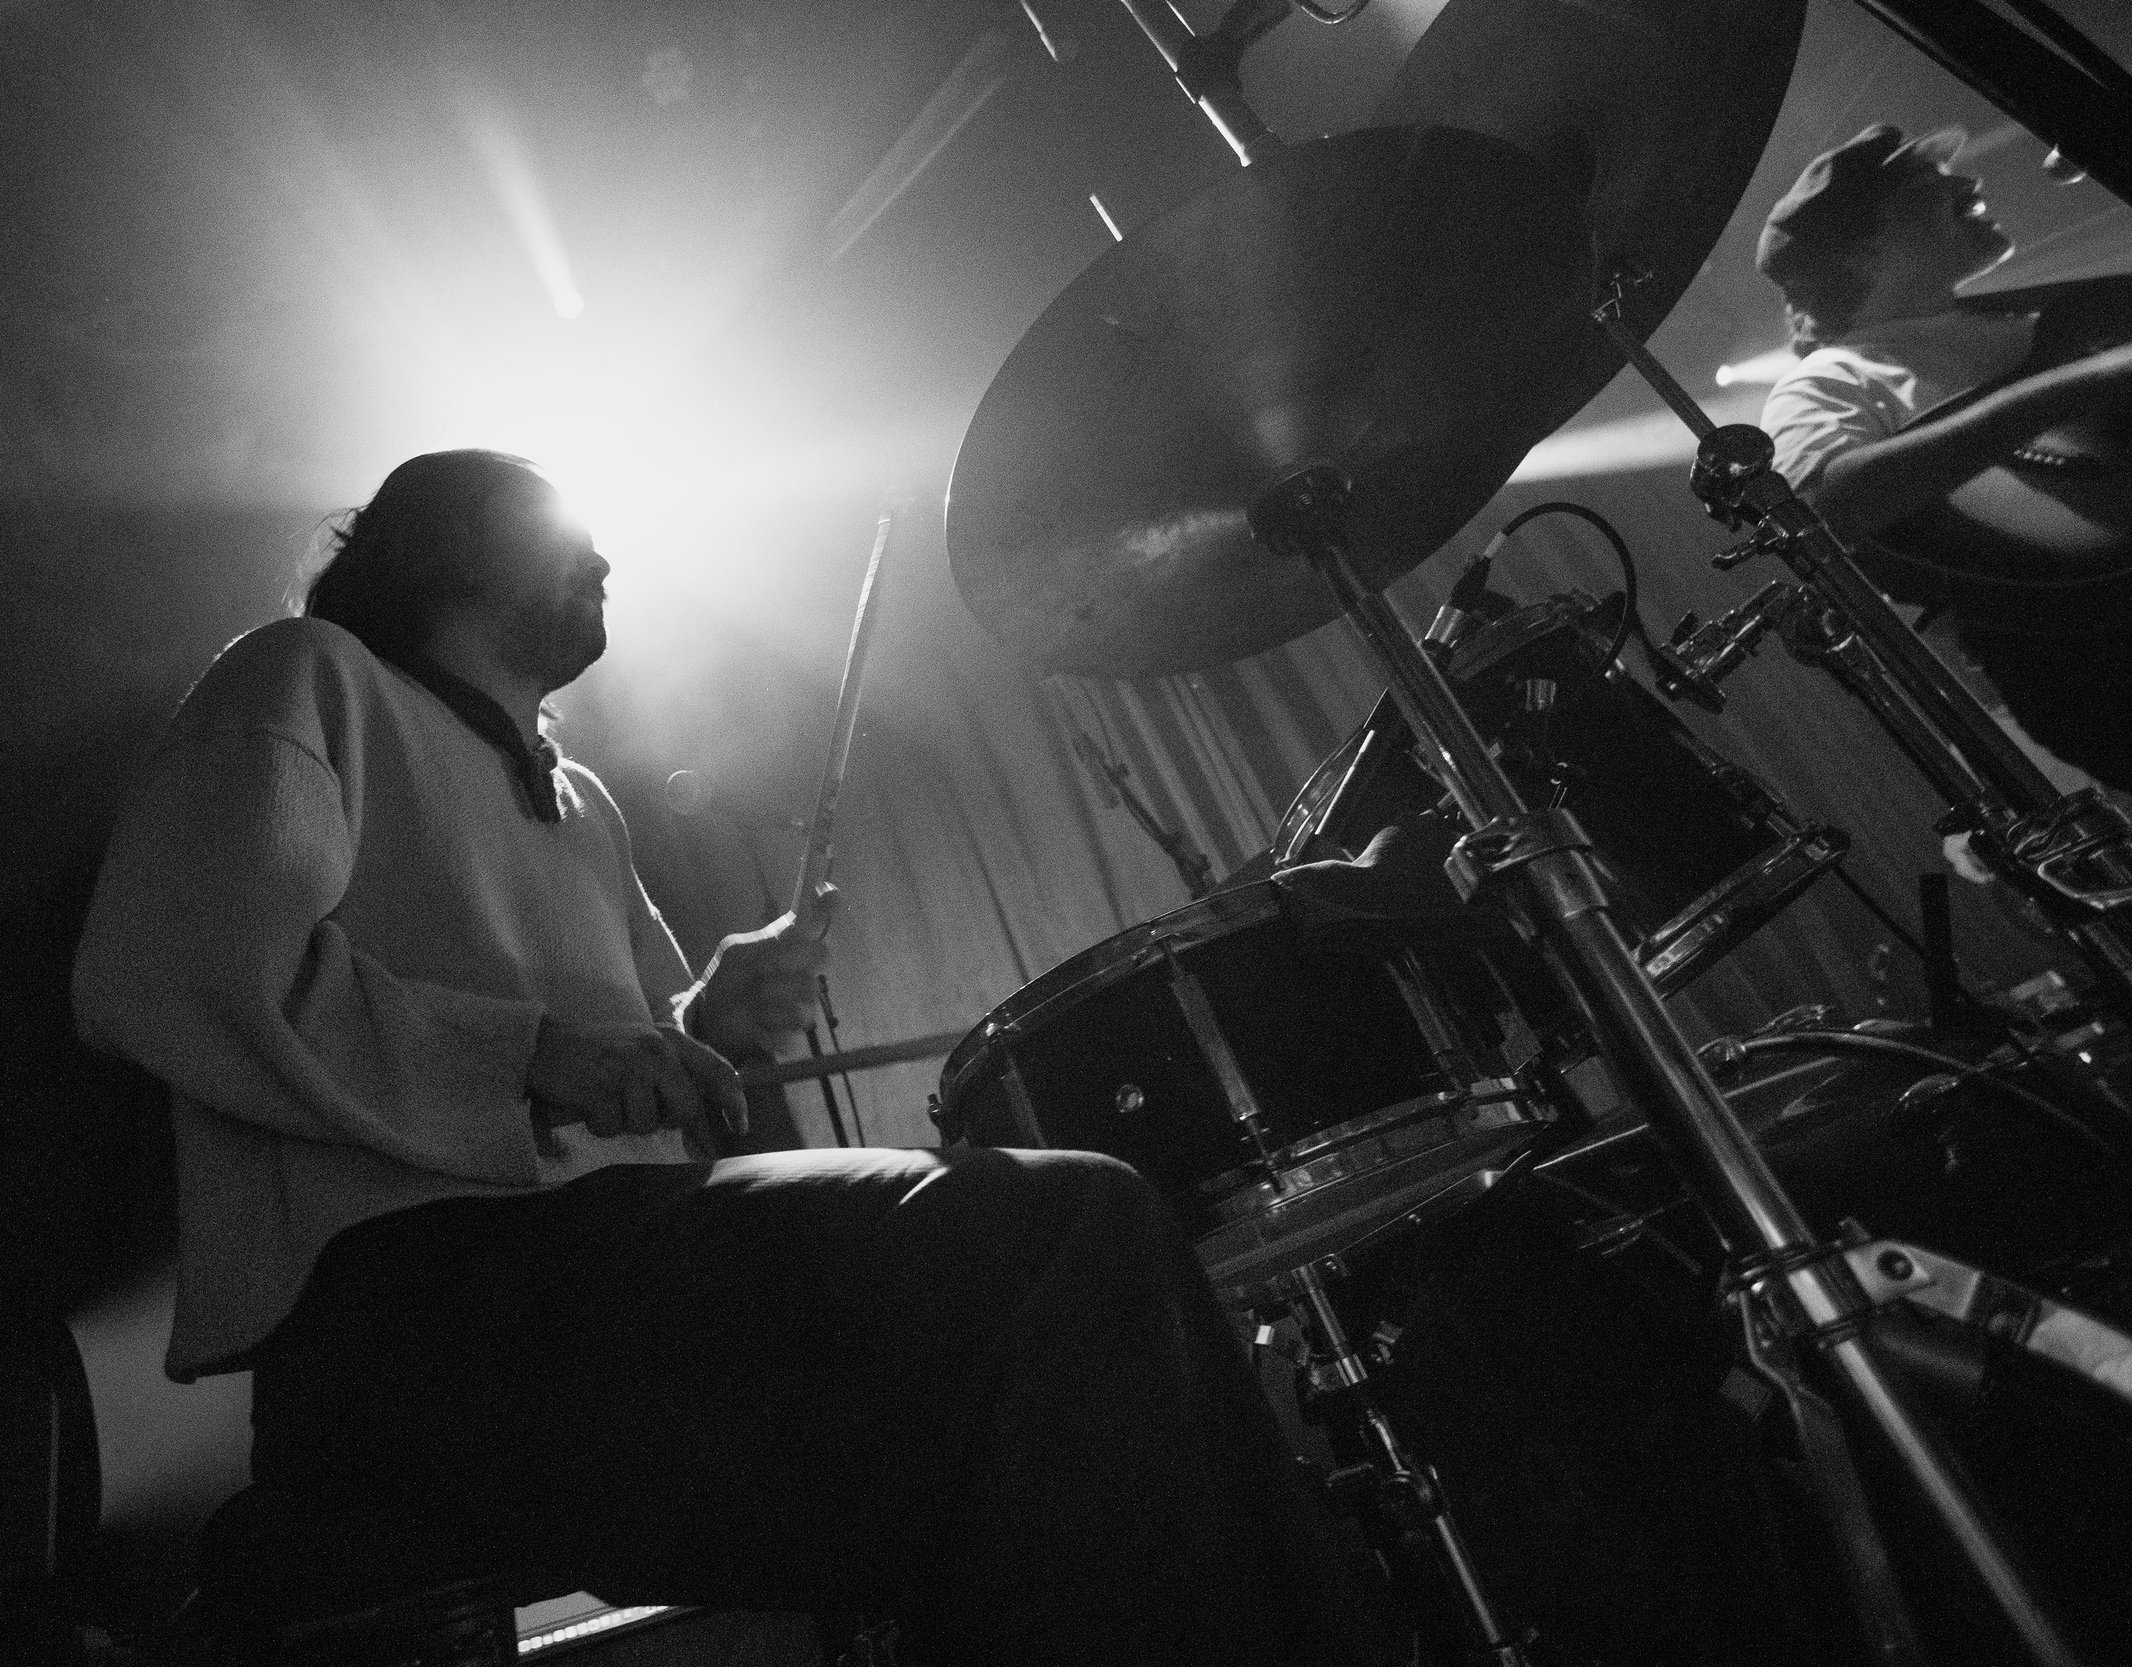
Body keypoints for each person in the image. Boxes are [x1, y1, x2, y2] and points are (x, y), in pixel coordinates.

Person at [71, 449, 1392, 1665]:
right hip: (405, 1317)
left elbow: (623, 1071)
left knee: (1070, 1388)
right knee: (1060, 1231)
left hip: (591, 1292)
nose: (604, 554)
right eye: (558, 521)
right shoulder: (306, 674)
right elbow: (173, 961)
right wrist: (543, 1054)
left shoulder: (581, 804)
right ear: (438, 541)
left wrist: (702, 1023)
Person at [1755, 122, 2132, 793]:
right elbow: (1820, 511)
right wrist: (2079, 385)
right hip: (2096, 665)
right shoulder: (1834, 380)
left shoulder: (2035, 319)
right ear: (1863, 251)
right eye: (1925, 182)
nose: (1967, 181)